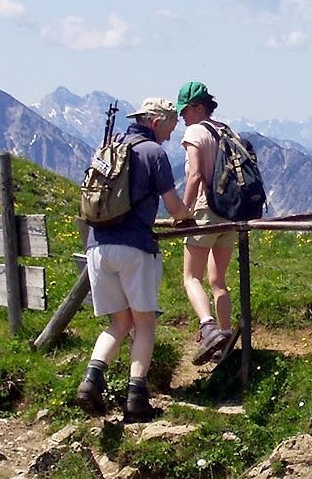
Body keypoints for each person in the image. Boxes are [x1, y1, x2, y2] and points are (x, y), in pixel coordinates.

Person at [76, 97, 195, 421]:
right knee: (144, 324)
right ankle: (136, 397)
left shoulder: (111, 147)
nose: (171, 134)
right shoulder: (153, 153)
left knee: (118, 323)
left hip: (98, 248)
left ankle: (91, 380)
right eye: (171, 126)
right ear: (156, 122)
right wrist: (187, 217)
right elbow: (173, 206)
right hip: (134, 248)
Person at [176, 81, 238, 365]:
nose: (182, 116)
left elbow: (195, 175)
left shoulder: (195, 131)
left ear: (198, 107)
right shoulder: (226, 130)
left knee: (191, 278)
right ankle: (225, 336)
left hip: (204, 211)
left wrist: (183, 212)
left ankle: (208, 326)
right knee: (218, 280)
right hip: (230, 213)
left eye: (185, 110)